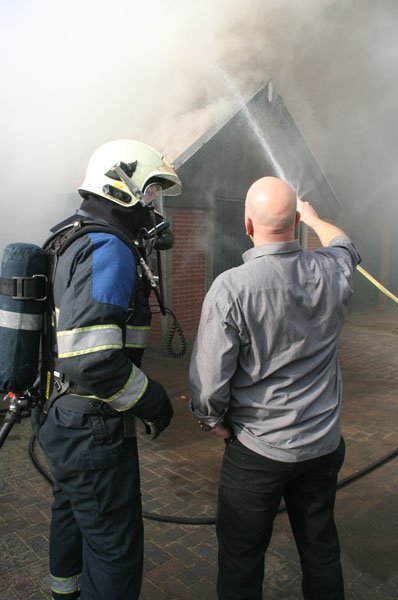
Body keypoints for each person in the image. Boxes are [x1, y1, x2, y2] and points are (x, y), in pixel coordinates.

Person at [189, 176, 360, 600]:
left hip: (257, 452)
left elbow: (209, 383)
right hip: (322, 446)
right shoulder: (332, 271)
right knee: (321, 552)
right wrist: (315, 218)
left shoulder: (231, 288)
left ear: (247, 225)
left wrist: (212, 421)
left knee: (241, 562)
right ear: (296, 224)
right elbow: (344, 243)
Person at [32, 139, 182, 600]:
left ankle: (65, 593)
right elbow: (92, 357)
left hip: (60, 413)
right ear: (120, 186)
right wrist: (152, 400)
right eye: (150, 191)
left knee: (72, 512)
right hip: (91, 427)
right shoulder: (109, 248)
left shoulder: (73, 235)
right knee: (115, 546)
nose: (154, 205)